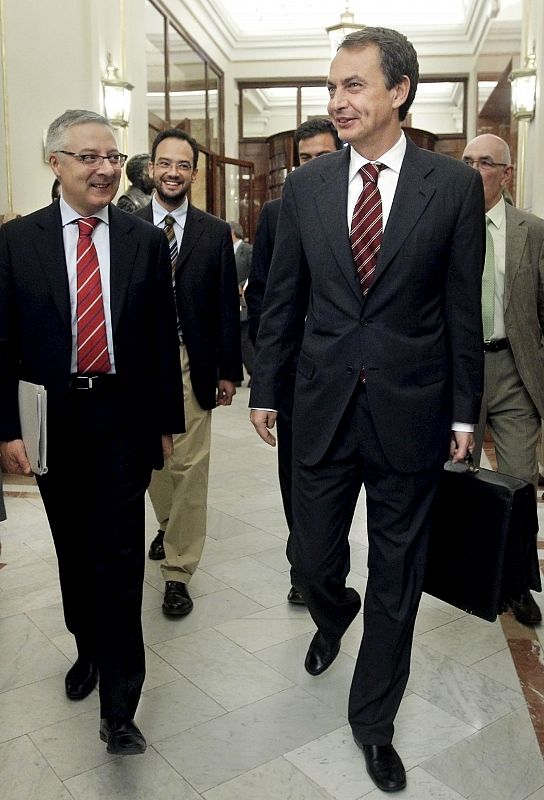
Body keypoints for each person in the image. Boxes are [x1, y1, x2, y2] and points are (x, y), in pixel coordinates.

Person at [250, 28, 485, 793]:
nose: (337, 102)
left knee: (399, 575)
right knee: (311, 556)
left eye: (354, 86)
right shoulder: (307, 189)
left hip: (411, 411)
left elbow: (458, 310)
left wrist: (463, 414)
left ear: (400, 92)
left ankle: (373, 723)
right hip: (319, 406)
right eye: (332, 88)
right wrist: (265, 388)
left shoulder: (449, 188)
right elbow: (282, 300)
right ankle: (331, 610)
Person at [0, 109, 184, 756]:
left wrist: (167, 424)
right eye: (89, 157)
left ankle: (120, 706)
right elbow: (2, 345)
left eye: (112, 155)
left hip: (120, 421)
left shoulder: (143, 241)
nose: (106, 168)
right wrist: (5, 430)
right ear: (55, 163)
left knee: (120, 561)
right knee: (74, 555)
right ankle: (87, 649)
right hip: (51, 423)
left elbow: (163, 342)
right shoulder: (18, 242)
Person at [139, 129, 242, 617]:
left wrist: (228, 369)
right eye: (165, 163)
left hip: (190, 359)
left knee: (190, 465)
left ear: (194, 175)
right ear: (150, 169)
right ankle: (169, 524)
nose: (173, 172)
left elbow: (226, 304)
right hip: (139, 365)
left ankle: (178, 570)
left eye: (182, 165)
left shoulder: (214, 231)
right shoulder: (127, 226)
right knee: (155, 461)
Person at [246, 117, 342, 606]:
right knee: (297, 476)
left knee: (338, 477)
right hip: (295, 372)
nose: (315, 166)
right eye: (306, 159)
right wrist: (270, 364)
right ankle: (303, 566)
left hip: (347, 368)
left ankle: (329, 564)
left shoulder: (363, 206)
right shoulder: (278, 211)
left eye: (325, 156)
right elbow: (265, 293)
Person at [462, 133, 544, 626]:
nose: (472, 170)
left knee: (518, 479)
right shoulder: (444, 224)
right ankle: (469, 574)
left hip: (514, 369)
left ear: (506, 174)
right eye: (466, 161)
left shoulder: (532, 231)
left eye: (484, 163)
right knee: (459, 479)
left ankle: (516, 585)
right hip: (459, 372)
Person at [229, 221, 254, 383]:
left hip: (244, 301)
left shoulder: (248, 250)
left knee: (244, 339)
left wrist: (242, 286)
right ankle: (235, 376)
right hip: (229, 303)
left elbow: (255, 273)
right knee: (233, 339)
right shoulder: (225, 249)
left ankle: (254, 372)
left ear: (233, 232)